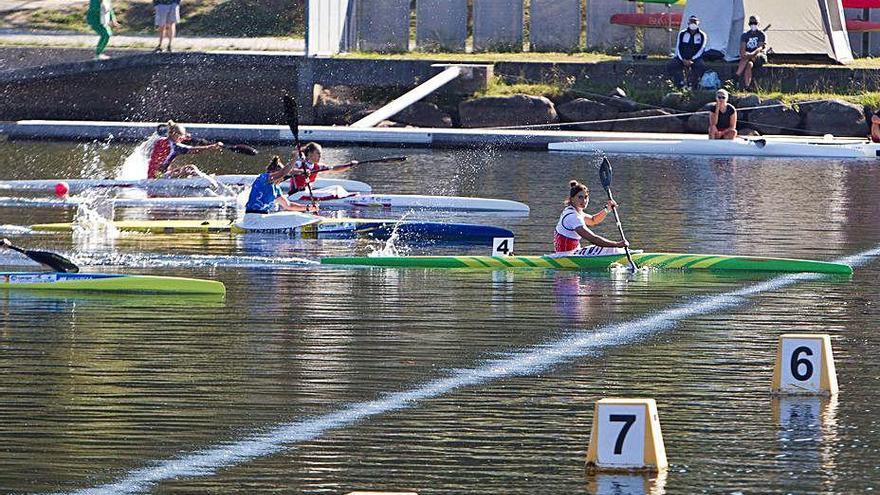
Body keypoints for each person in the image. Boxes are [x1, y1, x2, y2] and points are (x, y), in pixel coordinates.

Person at [554, 180, 628, 253]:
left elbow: (593, 220)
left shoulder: (575, 211)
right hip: (566, 256)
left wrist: (607, 209)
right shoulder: (573, 217)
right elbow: (593, 239)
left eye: (586, 197)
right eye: (580, 197)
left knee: (613, 249)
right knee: (612, 249)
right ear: (572, 199)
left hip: (574, 252)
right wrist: (617, 244)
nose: (584, 201)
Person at [147, 121, 222, 178]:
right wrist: (212, 146)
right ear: (174, 134)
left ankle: (201, 177)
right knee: (191, 168)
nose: (182, 139)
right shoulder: (175, 147)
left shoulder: (161, 140)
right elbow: (194, 150)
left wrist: (184, 136)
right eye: (181, 137)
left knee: (177, 169)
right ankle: (204, 179)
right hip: (157, 177)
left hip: (153, 173)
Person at [245, 156, 316, 214]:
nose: (282, 179)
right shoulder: (263, 178)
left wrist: (308, 207)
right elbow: (283, 172)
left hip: (263, 217)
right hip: (252, 217)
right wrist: (296, 157)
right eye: (282, 177)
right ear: (273, 172)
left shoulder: (276, 188)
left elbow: (289, 206)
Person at [289, 141, 358, 194]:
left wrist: (349, 165)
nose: (320, 156)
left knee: (336, 188)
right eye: (318, 153)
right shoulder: (299, 162)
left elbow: (334, 169)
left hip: (307, 193)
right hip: (296, 193)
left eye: (321, 154)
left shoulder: (318, 166)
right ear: (310, 153)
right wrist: (302, 171)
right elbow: (291, 171)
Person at [666, 15, 708, 89]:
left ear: (698, 24)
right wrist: (683, 59)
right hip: (682, 57)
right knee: (671, 65)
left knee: (701, 66)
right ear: (688, 23)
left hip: (695, 58)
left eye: (695, 22)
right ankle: (680, 83)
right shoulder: (682, 33)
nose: (693, 24)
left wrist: (692, 59)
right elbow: (678, 47)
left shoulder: (702, 35)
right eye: (691, 22)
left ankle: (694, 85)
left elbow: (701, 49)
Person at [735, 15, 767, 90]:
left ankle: (736, 75)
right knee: (749, 65)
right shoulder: (745, 35)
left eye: (755, 23)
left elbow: (760, 47)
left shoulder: (761, 34)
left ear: (758, 23)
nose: (753, 24)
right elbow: (742, 48)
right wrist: (744, 54)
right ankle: (747, 86)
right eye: (751, 23)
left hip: (759, 55)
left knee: (748, 57)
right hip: (749, 57)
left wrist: (752, 54)